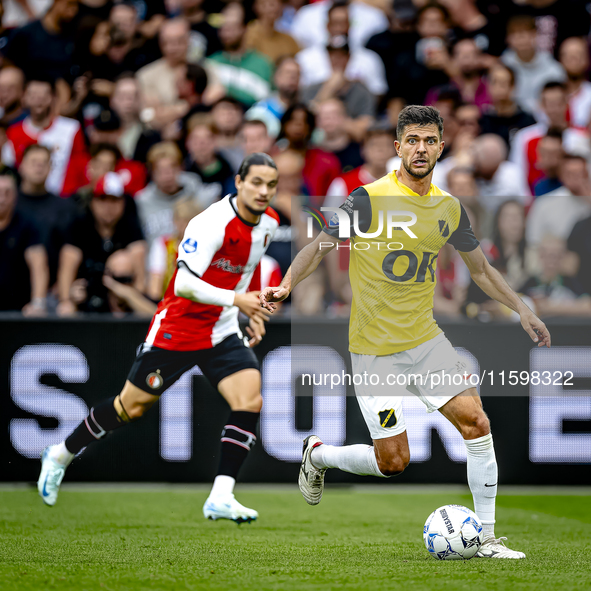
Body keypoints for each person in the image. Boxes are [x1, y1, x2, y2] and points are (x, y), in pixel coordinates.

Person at [261, 105, 551, 559]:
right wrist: (287, 284)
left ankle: (488, 538)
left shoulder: (449, 208)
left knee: (477, 423)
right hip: (374, 350)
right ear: (397, 148)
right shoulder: (368, 199)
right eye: (412, 140)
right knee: (392, 462)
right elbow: (319, 246)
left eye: (429, 140)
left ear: (441, 147)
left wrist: (522, 308)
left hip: (425, 340)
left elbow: (481, 270)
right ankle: (317, 455)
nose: (420, 148)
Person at [38, 153, 280, 525]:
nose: (264, 191)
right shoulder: (211, 222)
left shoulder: (269, 224)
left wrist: (249, 310)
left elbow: (244, 272)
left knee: (250, 397)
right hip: (177, 328)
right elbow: (183, 282)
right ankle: (60, 454)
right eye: (257, 182)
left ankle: (221, 495)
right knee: (129, 407)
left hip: (221, 328)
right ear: (239, 182)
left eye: (271, 184)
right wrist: (238, 300)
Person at [56, 172, 146, 316]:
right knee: (65, 309)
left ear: (123, 202)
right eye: (103, 199)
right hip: (85, 297)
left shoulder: (130, 225)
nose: (108, 206)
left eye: (114, 200)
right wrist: (68, 296)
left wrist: (131, 295)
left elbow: (140, 274)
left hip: (119, 297)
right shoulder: (80, 224)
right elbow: (67, 265)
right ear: (93, 202)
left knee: (122, 261)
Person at [2, 77, 87, 197]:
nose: (38, 101)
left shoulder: (71, 129)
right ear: (24, 98)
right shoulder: (13, 133)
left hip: (64, 200)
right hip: (26, 201)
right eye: (33, 95)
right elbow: (9, 171)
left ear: (53, 98)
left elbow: (81, 168)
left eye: (44, 96)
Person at [295, 1, 386, 97]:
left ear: (350, 26)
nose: (339, 29)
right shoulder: (305, 59)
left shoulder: (369, 59)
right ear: (327, 26)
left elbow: (379, 92)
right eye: (335, 23)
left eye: (343, 23)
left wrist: (357, 88)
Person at [16, 144, 74, 288]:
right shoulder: (8, 205)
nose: (39, 167)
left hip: (53, 288)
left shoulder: (65, 207)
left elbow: (71, 251)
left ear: (51, 168)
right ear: (21, 166)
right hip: (10, 287)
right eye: (33, 162)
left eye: (44, 163)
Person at [0, 169, 49, 315]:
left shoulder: (26, 224)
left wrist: (38, 302)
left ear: (15, 196)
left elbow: (38, 264)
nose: (2, 198)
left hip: (18, 310)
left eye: (7, 192)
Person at [208, 3, 273, 108]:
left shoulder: (263, 64)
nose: (226, 33)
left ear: (244, 28)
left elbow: (270, 100)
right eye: (223, 28)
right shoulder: (211, 63)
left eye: (232, 28)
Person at [501, 15, 565, 116]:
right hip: (512, 118)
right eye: (515, 34)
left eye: (524, 33)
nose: (520, 38)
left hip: (546, 118)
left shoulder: (553, 68)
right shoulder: (502, 67)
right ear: (508, 39)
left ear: (535, 35)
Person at [479, 64, 536, 148]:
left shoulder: (527, 121)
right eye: (494, 82)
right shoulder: (484, 121)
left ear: (513, 87)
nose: (498, 88)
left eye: (503, 83)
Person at [245, 56, 301, 139]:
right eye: (288, 72)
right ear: (276, 77)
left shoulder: (305, 111)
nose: (293, 77)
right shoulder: (260, 112)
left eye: (297, 74)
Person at [559, 37, 591, 129]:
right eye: (569, 55)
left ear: (587, 59)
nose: (573, 59)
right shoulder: (549, 92)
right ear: (560, 59)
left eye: (578, 54)